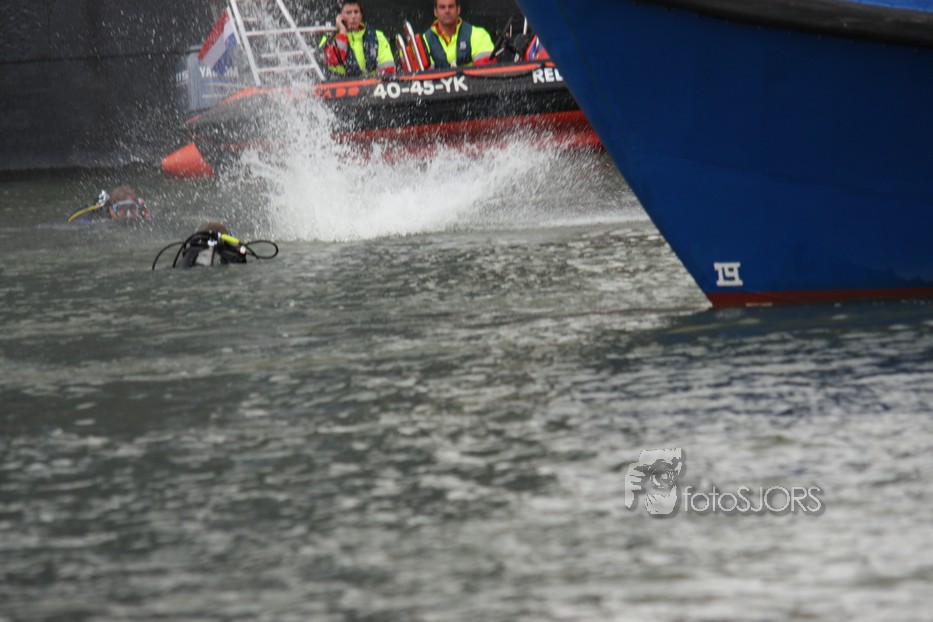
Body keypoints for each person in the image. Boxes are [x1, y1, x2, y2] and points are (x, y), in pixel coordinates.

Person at [320, 1, 396, 77]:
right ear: (340, 17)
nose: (353, 16)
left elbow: (388, 70)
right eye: (348, 13)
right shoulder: (329, 38)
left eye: (356, 12)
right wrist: (342, 32)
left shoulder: (377, 36)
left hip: (372, 82)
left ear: (361, 15)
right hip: (339, 82)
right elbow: (333, 60)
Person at [422, 0, 495, 69]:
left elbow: (485, 71)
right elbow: (424, 74)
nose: (447, 11)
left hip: (471, 79)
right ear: (435, 12)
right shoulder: (424, 40)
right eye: (442, 7)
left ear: (458, 9)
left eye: (451, 6)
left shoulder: (478, 34)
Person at [67, 185, 150, 224]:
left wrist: (147, 217)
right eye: (121, 208)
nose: (128, 214)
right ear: (111, 210)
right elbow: (71, 222)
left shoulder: (141, 219)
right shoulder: (100, 221)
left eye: (131, 208)